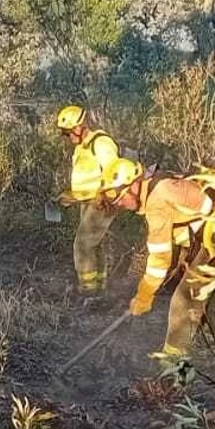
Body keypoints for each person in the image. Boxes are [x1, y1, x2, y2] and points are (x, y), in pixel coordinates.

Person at [106, 164, 215, 365]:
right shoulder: (158, 183)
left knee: (183, 301)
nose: (120, 204)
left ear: (134, 185)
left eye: (121, 197)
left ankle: (171, 369)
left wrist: (144, 295)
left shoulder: (156, 201)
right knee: (205, 294)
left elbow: (159, 259)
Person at [54, 104, 129, 296]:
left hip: (102, 201)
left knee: (83, 244)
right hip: (89, 201)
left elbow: (115, 173)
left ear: (78, 127)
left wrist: (103, 196)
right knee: (94, 245)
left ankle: (88, 291)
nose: (67, 137)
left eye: (68, 132)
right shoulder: (82, 147)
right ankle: (98, 289)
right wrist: (72, 196)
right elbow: (88, 179)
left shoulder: (101, 143)